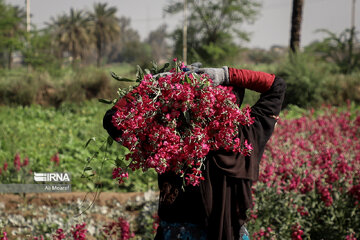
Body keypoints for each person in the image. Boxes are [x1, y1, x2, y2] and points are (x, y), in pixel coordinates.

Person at [103, 65, 286, 240]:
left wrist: (156, 84)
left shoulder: (168, 137)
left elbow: (112, 118)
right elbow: (276, 86)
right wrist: (227, 74)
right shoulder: (248, 134)